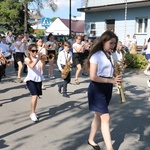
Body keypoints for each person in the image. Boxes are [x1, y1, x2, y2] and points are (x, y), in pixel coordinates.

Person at [87, 30, 121, 150]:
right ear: (103, 42)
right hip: (97, 89)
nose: (112, 46)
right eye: (110, 43)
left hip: (107, 88)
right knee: (105, 118)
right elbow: (93, 76)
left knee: (98, 116)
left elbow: (110, 72)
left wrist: (116, 77)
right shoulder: (96, 56)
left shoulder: (111, 55)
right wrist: (111, 80)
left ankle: (91, 139)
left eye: (114, 44)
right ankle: (110, 148)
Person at [24, 44, 44, 122]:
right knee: (34, 95)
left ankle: (33, 111)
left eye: (36, 50)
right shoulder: (27, 59)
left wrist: (41, 60)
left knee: (36, 96)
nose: (35, 52)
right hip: (30, 79)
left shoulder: (38, 58)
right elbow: (31, 66)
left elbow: (40, 68)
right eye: (33, 51)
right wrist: (38, 58)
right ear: (29, 51)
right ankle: (32, 113)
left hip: (38, 79)